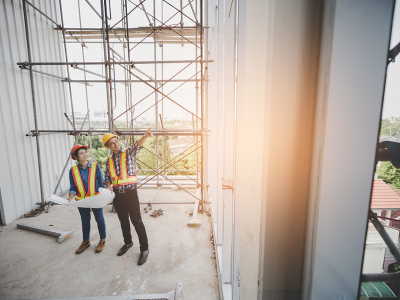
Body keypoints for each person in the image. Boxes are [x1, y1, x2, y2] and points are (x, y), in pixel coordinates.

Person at [103, 129, 152, 265]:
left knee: (137, 221)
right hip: (117, 195)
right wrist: (108, 186)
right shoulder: (108, 161)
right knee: (123, 221)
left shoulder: (128, 153)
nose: (116, 144)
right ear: (108, 147)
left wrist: (145, 136)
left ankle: (145, 249)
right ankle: (128, 242)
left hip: (131, 193)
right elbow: (107, 177)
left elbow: (138, 145)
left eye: (116, 141)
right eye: (112, 143)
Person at [67, 144, 107, 254]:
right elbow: (73, 187)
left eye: (85, 152)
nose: (85, 154)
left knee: (99, 219)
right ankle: (86, 241)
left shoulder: (95, 167)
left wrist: (105, 196)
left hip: (95, 200)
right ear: (76, 157)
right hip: (82, 201)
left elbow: (102, 184)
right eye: (81, 153)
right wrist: (70, 196)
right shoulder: (73, 171)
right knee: (85, 221)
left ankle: (102, 240)